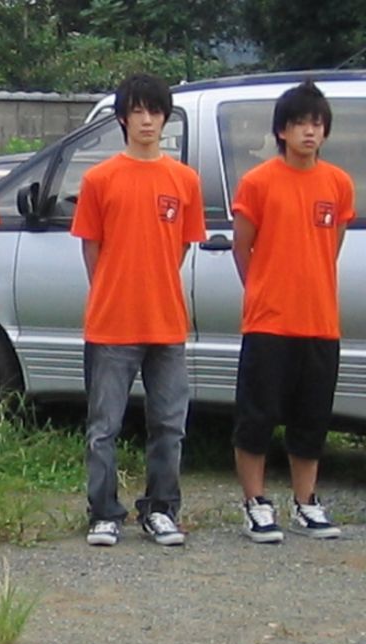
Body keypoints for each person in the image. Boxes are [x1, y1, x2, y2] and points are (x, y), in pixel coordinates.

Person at [70, 73, 206, 547]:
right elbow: (92, 249)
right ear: (123, 117)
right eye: (138, 111)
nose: (147, 120)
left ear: (165, 118)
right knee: (103, 427)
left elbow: (181, 250)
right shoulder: (99, 179)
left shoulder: (184, 180)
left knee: (169, 425)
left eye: (155, 111)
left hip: (167, 324)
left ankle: (161, 509)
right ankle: (103, 512)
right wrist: (114, 289)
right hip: (110, 324)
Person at [231, 80, 355, 544]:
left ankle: (306, 502)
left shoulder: (338, 184)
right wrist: (265, 291)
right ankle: (256, 503)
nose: (309, 132)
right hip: (268, 322)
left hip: (320, 322)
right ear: (282, 130)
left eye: (317, 124)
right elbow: (243, 249)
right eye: (300, 123)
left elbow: (332, 246)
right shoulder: (258, 182)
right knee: (257, 415)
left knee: (311, 417)